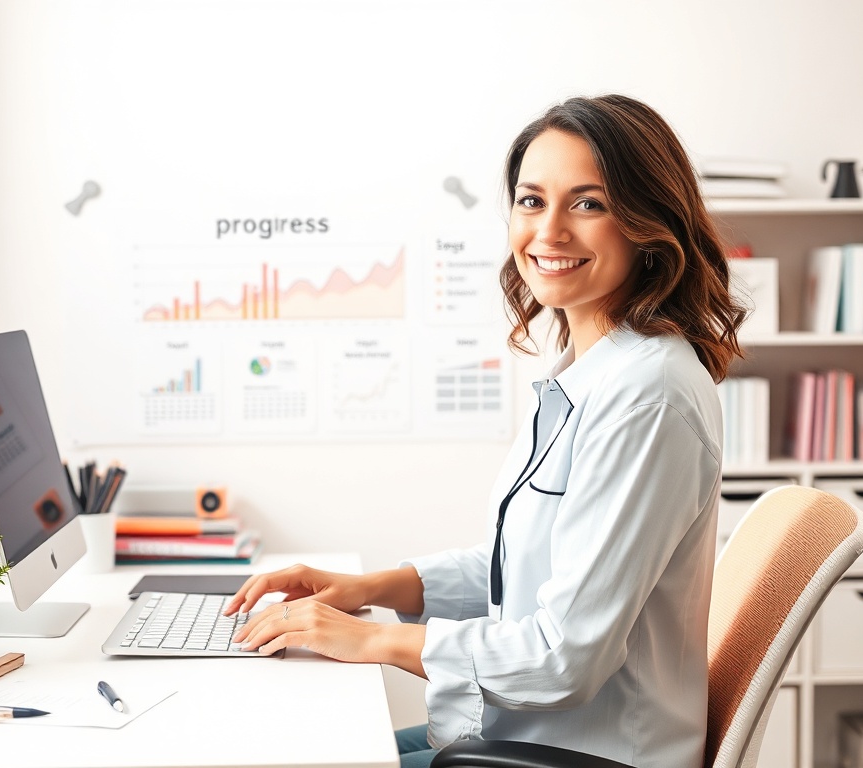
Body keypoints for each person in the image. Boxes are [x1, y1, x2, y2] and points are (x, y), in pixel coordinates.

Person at [224, 94, 746, 768]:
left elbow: (563, 657)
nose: (549, 232)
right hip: (523, 740)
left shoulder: (648, 397)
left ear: (648, 224)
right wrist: (369, 588)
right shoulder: (587, 373)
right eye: (532, 202)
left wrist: (373, 642)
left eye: (588, 204)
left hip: (588, 755)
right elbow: (518, 565)